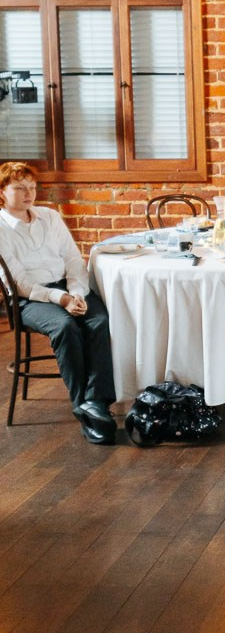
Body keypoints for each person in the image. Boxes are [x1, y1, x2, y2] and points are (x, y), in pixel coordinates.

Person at [0, 161, 118, 444]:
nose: (29, 194)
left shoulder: (49, 217)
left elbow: (73, 260)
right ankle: (83, 407)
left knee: (99, 320)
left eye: (32, 187)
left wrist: (76, 292)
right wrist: (60, 298)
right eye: (20, 188)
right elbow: (19, 284)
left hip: (67, 288)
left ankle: (97, 402)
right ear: (2, 192)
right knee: (65, 326)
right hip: (29, 300)